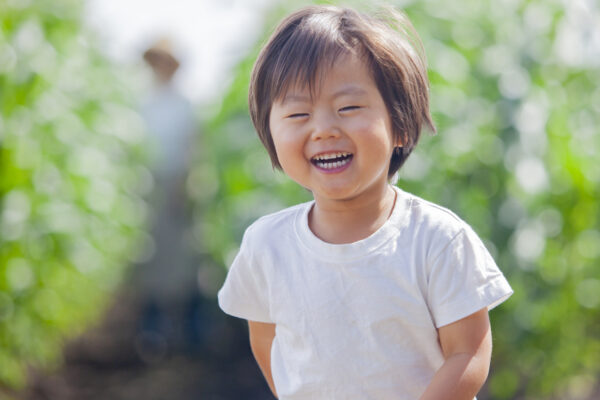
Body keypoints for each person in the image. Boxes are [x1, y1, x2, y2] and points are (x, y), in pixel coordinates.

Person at [218, 5, 513, 400]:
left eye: (349, 108)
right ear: (269, 133)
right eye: (299, 113)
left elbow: (468, 353)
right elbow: (267, 342)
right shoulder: (266, 245)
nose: (323, 129)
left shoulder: (437, 240)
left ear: (401, 126)